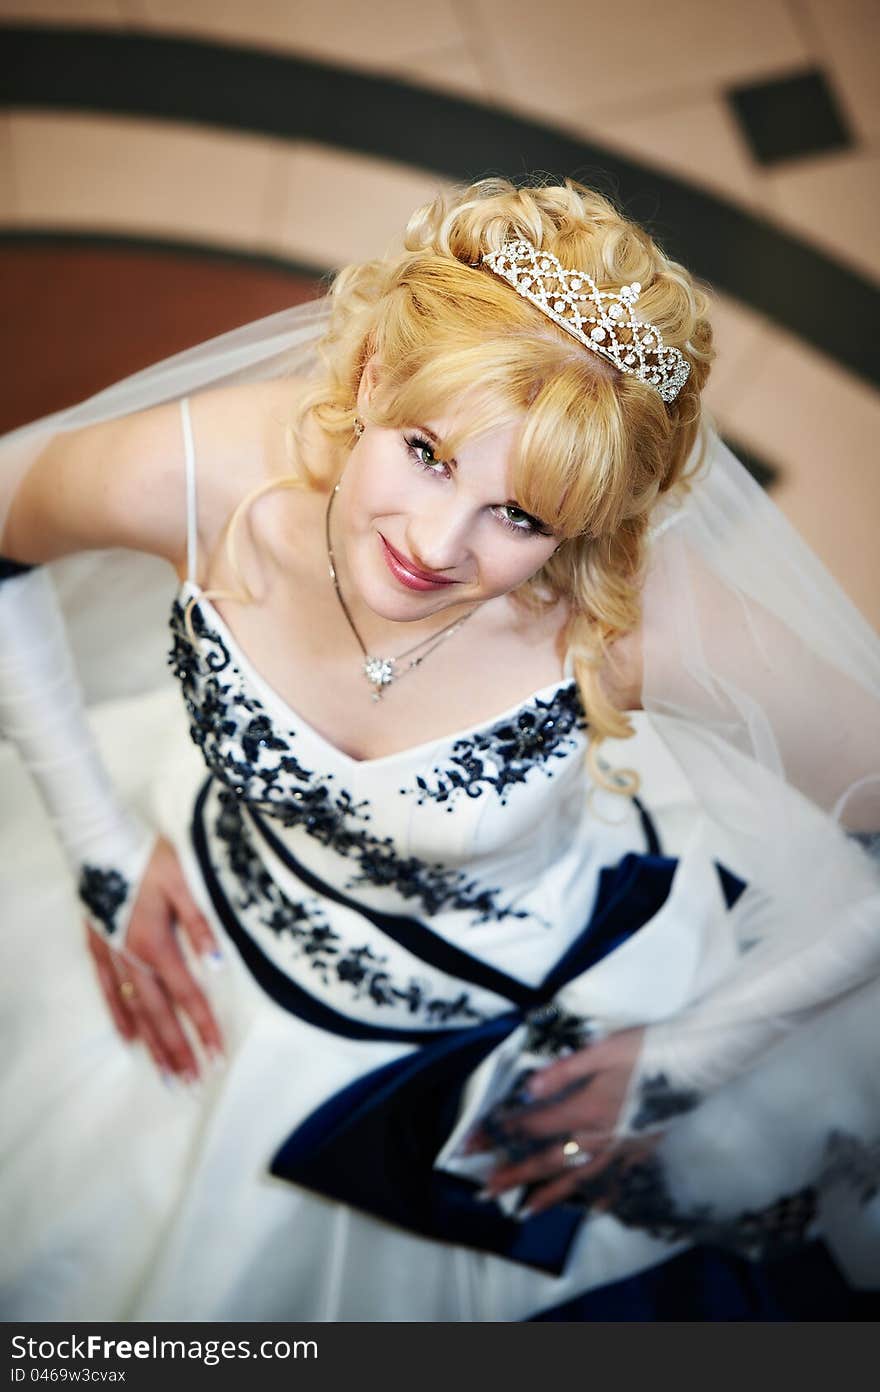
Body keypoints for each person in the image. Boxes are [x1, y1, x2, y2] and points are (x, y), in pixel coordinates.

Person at [0, 178, 878, 1322]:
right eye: (424, 450)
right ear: (369, 378)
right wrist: (102, 844)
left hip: (499, 1026)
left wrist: (688, 1059)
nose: (432, 544)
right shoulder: (212, 474)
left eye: (520, 518)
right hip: (208, 919)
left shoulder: (627, 624)